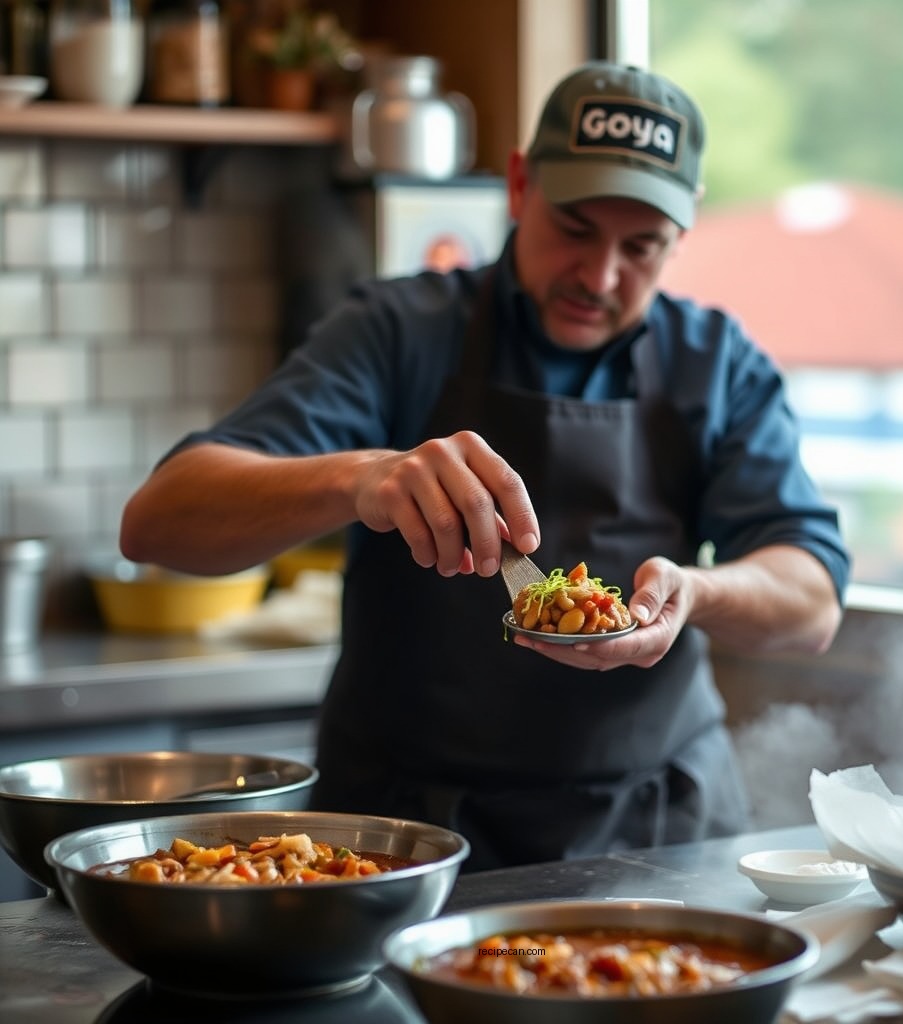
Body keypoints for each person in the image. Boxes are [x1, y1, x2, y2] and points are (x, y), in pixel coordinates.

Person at [120, 62, 850, 871]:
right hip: (405, 842)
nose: (601, 276)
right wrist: (360, 478)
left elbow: (812, 602)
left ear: (684, 232)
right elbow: (157, 522)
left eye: (641, 248)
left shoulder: (717, 365)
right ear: (518, 183)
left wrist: (698, 592)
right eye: (575, 227)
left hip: (658, 836)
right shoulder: (399, 331)